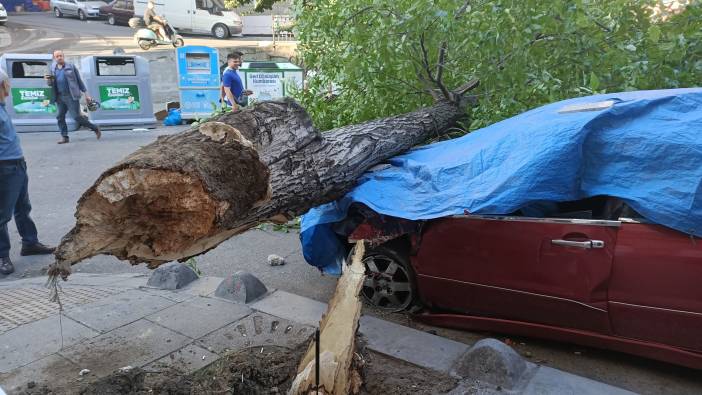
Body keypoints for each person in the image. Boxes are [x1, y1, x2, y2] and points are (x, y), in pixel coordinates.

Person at [0, 69, 56, 275]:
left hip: (17, 164)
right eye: (7, 85)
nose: (9, 89)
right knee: (2, 214)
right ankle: (2, 256)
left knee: (23, 207)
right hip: (5, 167)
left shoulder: (2, 106)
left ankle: (30, 243)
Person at [48, 50, 101, 144]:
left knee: (76, 117)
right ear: (54, 58)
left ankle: (95, 128)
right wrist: (49, 81)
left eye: (60, 55)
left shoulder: (71, 67)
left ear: (63, 56)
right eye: (57, 56)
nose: (59, 57)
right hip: (59, 97)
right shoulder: (53, 68)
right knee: (60, 117)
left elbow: (79, 81)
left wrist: (86, 94)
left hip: (71, 96)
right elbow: (51, 83)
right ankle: (64, 137)